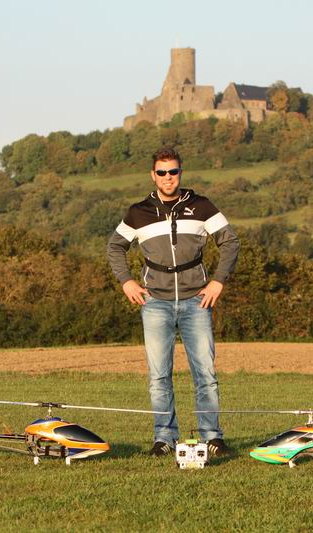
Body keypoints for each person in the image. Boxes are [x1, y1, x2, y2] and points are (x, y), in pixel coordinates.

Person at [106, 147, 240, 457]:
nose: (168, 177)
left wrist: (218, 281)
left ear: (180, 172)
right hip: (155, 302)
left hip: (197, 302)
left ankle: (212, 438)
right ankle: (164, 438)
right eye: (162, 172)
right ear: (153, 175)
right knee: (159, 376)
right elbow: (115, 247)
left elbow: (230, 241)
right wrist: (126, 280)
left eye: (173, 171)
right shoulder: (138, 212)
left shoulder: (202, 206)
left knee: (205, 375)